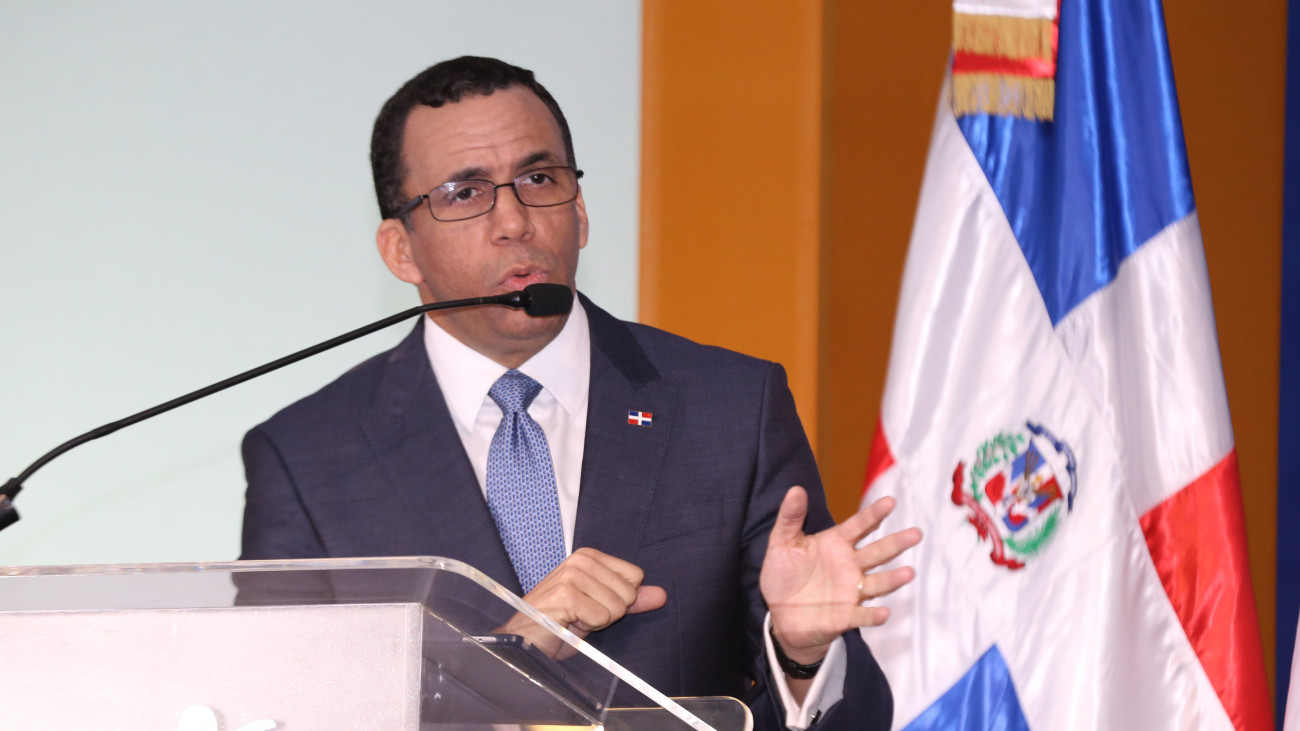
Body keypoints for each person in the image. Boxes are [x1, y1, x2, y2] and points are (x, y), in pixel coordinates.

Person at [240, 56, 921, 731]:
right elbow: (277, 711)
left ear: (581, 211)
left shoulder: (733, 408)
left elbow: (851, 717)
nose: (514, 221)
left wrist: (802, 656)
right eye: (466, 193)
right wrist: (505, 657)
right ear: (401, 250)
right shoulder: (309, 461)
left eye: (539, 179)